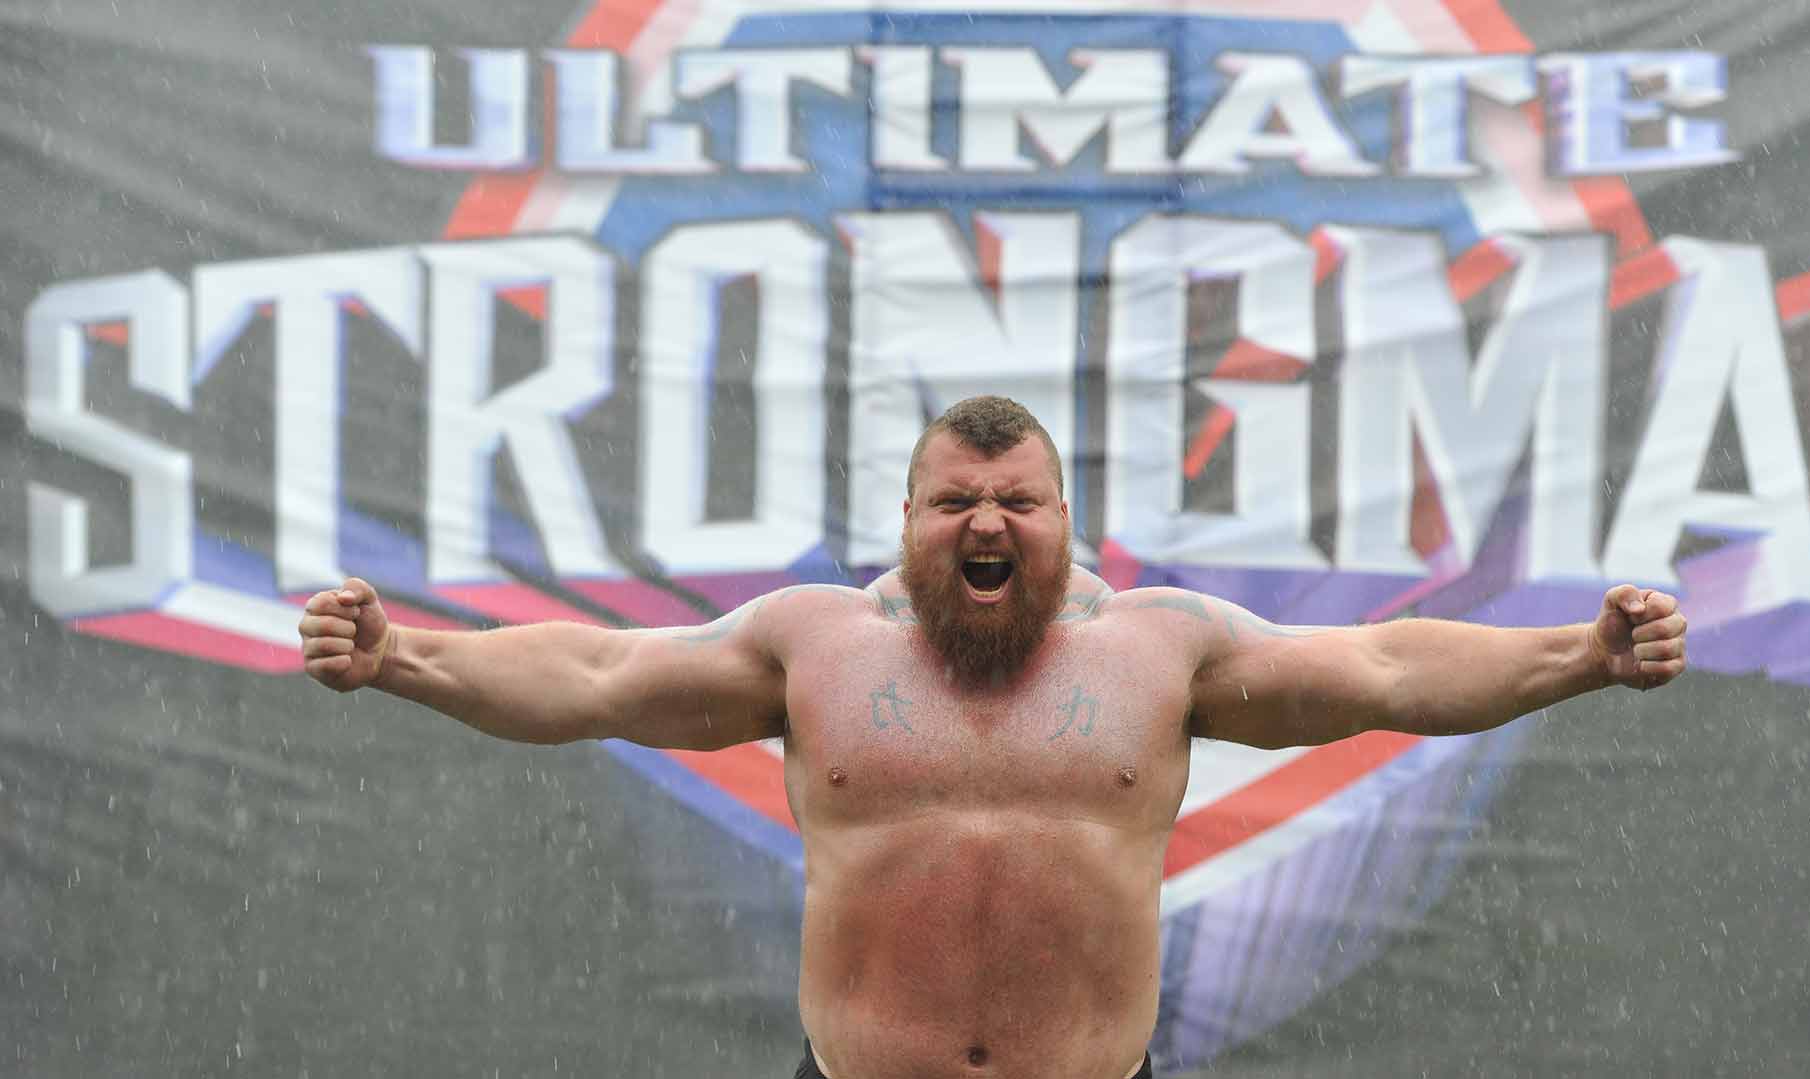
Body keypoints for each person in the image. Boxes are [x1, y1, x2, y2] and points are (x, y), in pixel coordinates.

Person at [300, 395, 1687, 1079]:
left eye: (1018, 502)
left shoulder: (1161, 650)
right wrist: (402, 656)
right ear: (907, 524)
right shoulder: (812, 647)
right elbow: (601, 675)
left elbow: (1382, 666)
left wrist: (1582, 654)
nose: (986, 523)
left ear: (1065, 525)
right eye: (955, 500)